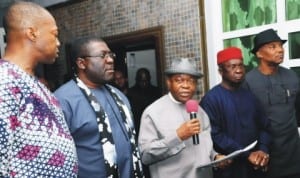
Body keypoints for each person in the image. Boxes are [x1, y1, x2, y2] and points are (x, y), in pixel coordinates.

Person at [0, 1, 78, 177]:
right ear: (32, 33)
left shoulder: (34, 83)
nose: (58, 43)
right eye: (54, 35)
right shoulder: (4, 80)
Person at [54, 37, 144, 178]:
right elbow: (55, 158)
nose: (110, 60)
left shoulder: (119, 95)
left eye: (110, 55)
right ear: (81, 63)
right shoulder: (62, 100)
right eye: (102, 56)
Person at [138, 58, 230, 178]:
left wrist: (215, 157)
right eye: (179, 80)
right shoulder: (152, 113)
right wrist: (178, 136)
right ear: (169, 83)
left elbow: (204, 146)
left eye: (191, 81)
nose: (186, 86)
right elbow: (145, 156)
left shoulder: (200, 112)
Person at [200, 47, 271, 178]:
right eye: (232, 67)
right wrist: (246, 154)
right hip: (229, 169)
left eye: (240, 66)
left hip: (254, 167)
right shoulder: (211, 99)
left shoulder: (250, 96)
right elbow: (214, 134)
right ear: (221, 71)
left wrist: (262, 150)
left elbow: (264, 126)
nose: (238, 70)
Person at [243, 28, 300, 178]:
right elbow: (246, 122)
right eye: (272, 47)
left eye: (280, 46)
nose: (280, 50)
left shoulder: (292, 76)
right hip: (264, 156)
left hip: (293, 155)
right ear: (259, 54)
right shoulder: (248, 82)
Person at [127, 68, 161, 135]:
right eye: (142, 81)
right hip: (137, 126)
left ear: (149, 79)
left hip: (153, 126)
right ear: (137, 80)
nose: (144, 84)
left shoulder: (156, 91)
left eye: (146, 81)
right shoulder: (130, 92)